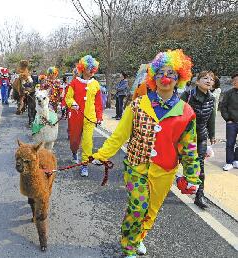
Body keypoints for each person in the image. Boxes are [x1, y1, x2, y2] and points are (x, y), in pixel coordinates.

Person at [91, 49, 200, 258]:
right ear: (153, 77)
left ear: (179, 78)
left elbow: (189, 148)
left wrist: (192, 176)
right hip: (135, 166)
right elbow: (119, 136)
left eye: (171, 73)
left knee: (151, 211)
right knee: (138, 207)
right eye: (160, 73)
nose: (165, 78)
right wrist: (101, 155)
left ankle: (139, 237)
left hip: (165, 171)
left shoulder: (186, 112)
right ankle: (129, 246)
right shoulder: (138, 105)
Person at [181, 71, 216, 209]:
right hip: (183, 137)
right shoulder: (187, 95)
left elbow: (212, 117)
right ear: (197, 81)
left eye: (211, 79)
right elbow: (177, 115)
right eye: (205, 78)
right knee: (174, 163)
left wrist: (212, 135)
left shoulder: (212, 98)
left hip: (201, 137)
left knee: (200, 167)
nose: (208, 81)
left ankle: (199, 196)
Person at [65, 55, 103, 176]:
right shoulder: (75, 82)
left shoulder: (96, 84)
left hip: (90, 118)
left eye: (93, 68)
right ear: (83, 69)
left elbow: (98, 103)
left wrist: (99, 117)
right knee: (75, 140)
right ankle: (74, 152)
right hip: (76, 116)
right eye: (89, 68)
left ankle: (85, 165)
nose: (91, 71)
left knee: (87, 142)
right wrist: (73, 104)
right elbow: (68, 98)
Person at [220, 72, 238, 171]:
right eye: (234, 80)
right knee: (230, 143)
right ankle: (229, 162)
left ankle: (236, 160)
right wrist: (228, 119)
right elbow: (223, 107)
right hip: (232, 123)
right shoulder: (229, 93)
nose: (234, 82)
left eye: (236, 80)